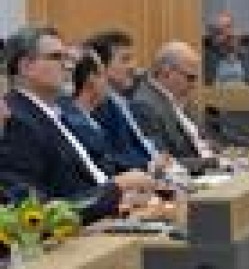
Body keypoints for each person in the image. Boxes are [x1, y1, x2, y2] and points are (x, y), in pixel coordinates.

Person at [0, 24, 159, 224]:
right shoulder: (17, 120)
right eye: (57, 57)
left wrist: (121, 196)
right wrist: (116, 189)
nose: (69, 66)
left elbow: (83, 183)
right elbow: (34, 211)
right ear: (25, 67)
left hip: (105, 218)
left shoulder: (55, 113)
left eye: (67, 58)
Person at [86, 29, 168, 174]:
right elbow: (113, 157)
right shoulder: (96, 108)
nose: (133, 66)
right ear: (101, 66)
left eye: (132, 59)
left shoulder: (131, 105)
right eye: (125, 60)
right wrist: (149, 165)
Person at [130, 41, 218, 174]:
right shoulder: (145, 105)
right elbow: (164, 161)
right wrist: (214, 162)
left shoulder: (180, 99)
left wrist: (226, 156)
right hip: (189, 178)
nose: (194, 85)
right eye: (190, 77)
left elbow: (203, 141)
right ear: (166, 72)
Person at [59, 49, 125, 175]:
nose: (108, 82)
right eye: (103, 75)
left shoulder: (92, 117)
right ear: (91, 79)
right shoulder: (73, 123)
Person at [203, 11, 249, 86]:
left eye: (228, 27)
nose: (225, 33)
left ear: (236, 29)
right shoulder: (207, 59)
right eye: (218, 30)